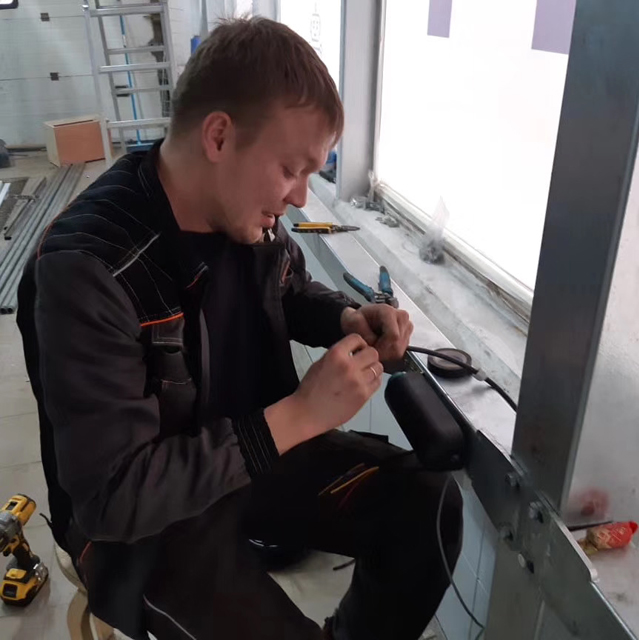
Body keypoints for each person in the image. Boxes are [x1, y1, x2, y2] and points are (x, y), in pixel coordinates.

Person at [17, 17, 462, 640]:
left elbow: (287, 287)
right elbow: (114, 498)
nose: (301, 197)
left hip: (250, 460)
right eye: (291, 169)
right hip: (147, 526)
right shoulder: (88, 268)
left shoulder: (246, 213)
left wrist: (345, 317)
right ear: (220, 136)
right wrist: (300, 416)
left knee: (428, 507)